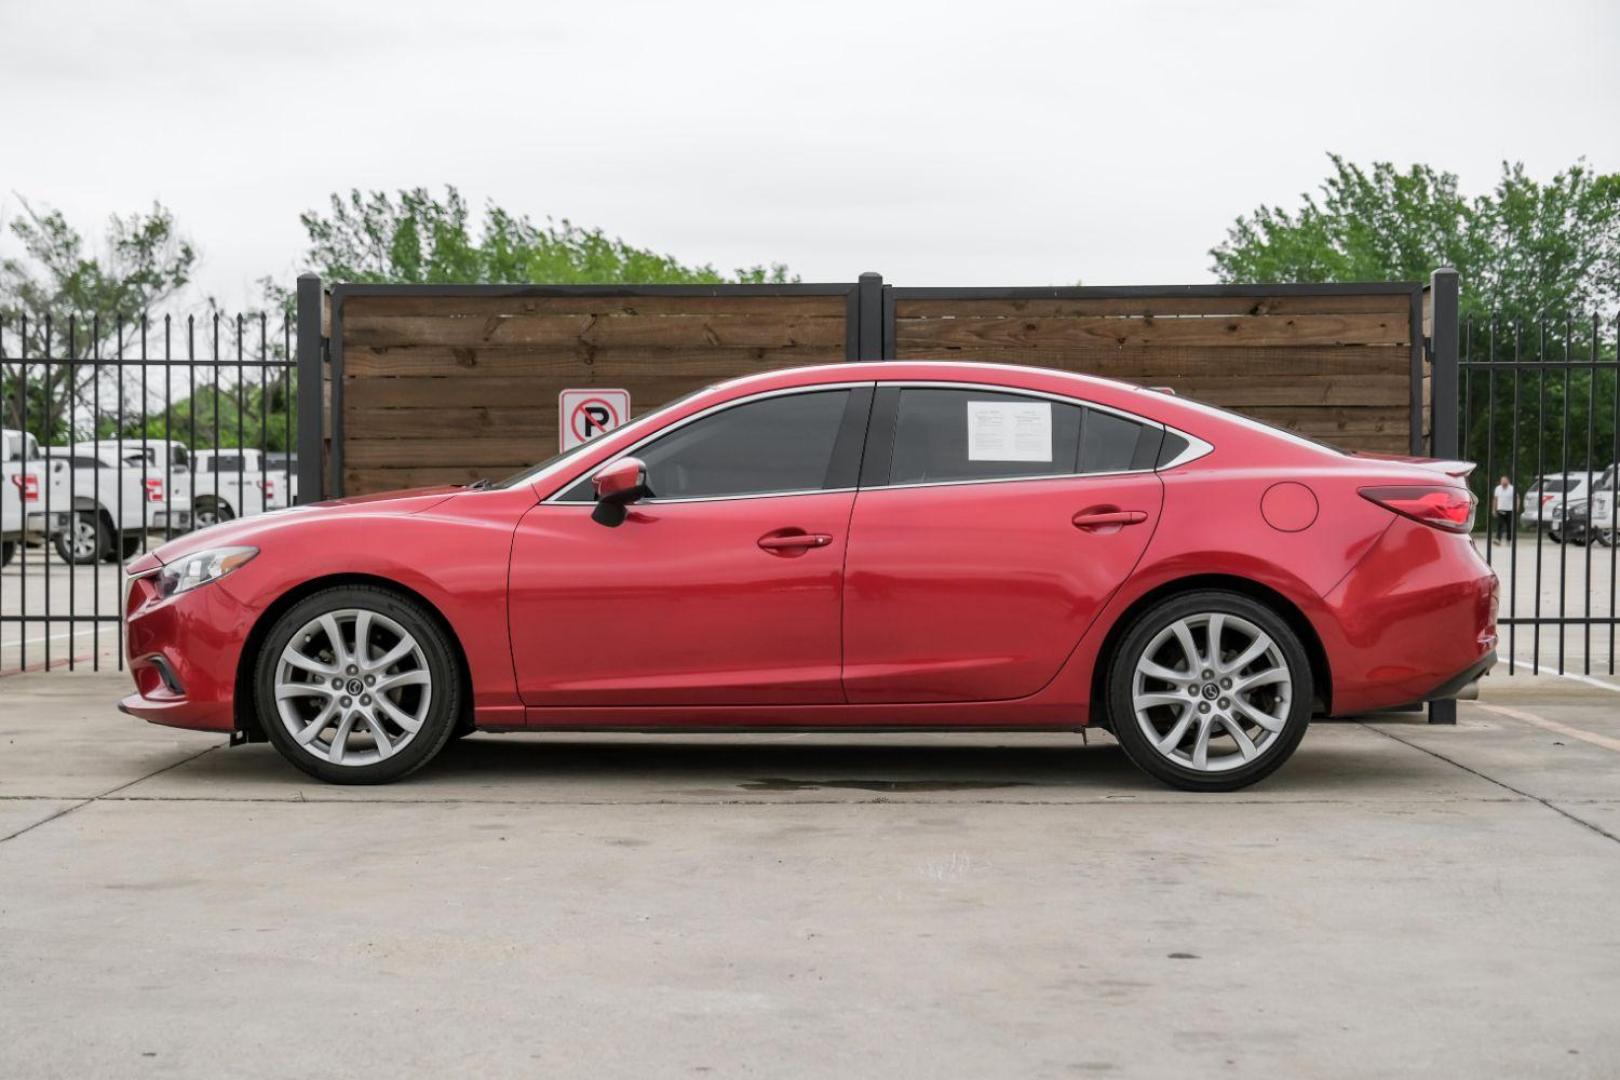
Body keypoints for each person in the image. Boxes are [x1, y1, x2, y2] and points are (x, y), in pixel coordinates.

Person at [1492, 475, 1515, 544]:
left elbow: (1517, 498)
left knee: (1509, 526)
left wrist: (1516, 507)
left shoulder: (1512, 488)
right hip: (1501, 509)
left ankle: (1509, 540)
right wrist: (1494, 509)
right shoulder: (1498, 488)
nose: (1503, 482)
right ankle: (1498, 539)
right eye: (1502, 481)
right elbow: (1495, 499)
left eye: (1504, 480)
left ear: (1508, 481)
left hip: (1509, 510)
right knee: (1500, 525)